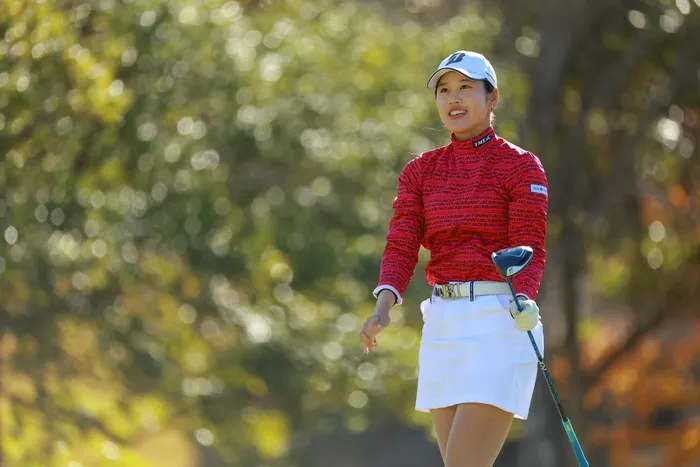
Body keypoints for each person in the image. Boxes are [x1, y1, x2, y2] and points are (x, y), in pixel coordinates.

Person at [359, 50, 548, 467]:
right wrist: (383, 305)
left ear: (492, 97)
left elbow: (529, 247)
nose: (453, 98)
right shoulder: (420, 171)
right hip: (443, 324)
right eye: (444, 89)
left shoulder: (520, 166)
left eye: (465, 87)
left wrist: (524, 298)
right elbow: (402, 243)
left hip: (500, 321)